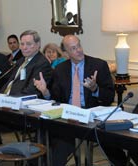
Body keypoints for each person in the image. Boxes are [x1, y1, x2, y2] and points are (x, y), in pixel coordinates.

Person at [34, 35, 127, 165]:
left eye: (79, 45)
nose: (78, 50)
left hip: (92, 115)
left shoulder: (99, 65)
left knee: (110, 142)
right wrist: (46, 92)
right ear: (66, 53)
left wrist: (95, 89)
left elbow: (109, 97)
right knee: (49, 138)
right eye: (73, 48)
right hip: (69, 116)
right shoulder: (60, 70)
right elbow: (57, 98)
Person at [0, 30, 52, 97]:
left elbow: (32, 91)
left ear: (38, 45)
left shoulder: (42, 63)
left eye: (28, 44)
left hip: (17, 101)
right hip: (4, 99)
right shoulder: (21, 61)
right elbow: (10, 82)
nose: (24, 48)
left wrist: (10, 99)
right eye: (22, 44)